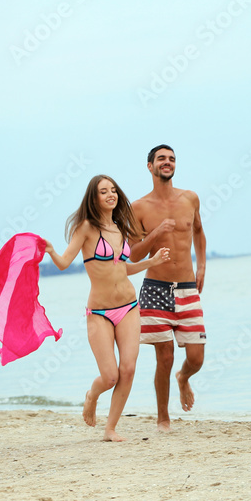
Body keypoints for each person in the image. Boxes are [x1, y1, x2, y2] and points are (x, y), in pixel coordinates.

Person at [45, 175, 170, 442]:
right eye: (104, 191)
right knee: (110, 376)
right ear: (94, 198)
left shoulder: (121, 228)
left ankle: (110, 429)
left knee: (128, 369)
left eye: (113, 190)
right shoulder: (86, 228)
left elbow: (124, 268)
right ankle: (92, 395)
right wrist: (51, 251)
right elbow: (64, 263)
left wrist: (153, 261)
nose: (111, 194)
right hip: (99, 313)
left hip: (129, 307)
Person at [128, 145, 207, 432]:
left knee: (196, 358)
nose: (167, 162)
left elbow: (198, 231)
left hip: (187, 288)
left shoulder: (190, 198)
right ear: (150, 166)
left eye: (171, 159)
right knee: (165, 356)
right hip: (156, 288)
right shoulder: (138, 208)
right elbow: (134, 254)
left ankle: (183, 378)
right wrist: (156, 233)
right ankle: (163, 417)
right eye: (161, 158)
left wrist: (202, 267)